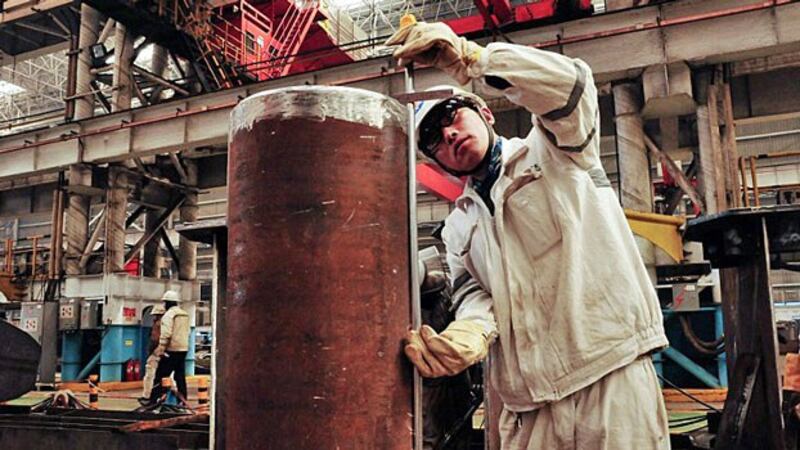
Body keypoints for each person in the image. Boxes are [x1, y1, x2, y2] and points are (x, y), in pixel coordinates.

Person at [386, 21, 671, 449]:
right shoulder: (458, 226)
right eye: (432, 139)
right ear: (437, 161)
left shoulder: (557, 150)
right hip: (526, 400)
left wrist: (473, 60)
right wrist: (470, 332)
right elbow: (475, 295)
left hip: (606, 375)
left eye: (452, 116)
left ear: (486, 112)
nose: (446, 134)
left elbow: (571, 86)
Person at [148, 290, 190, 402]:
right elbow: (188, 332)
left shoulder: (169, 315)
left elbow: (166, 334)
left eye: (165, 303)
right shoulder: (184, 314)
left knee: (160, 375)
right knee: (180, 376)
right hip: (183, 349)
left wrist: (161, 349)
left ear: (168, 303)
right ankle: (182, 401)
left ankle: (154, 400)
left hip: (171, 350)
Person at [138, 303, 166, 405]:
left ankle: (147, 396)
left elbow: (154, 338)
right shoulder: (169, 323)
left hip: (156, 352)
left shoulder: (158, 324)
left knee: (150, 374)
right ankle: (170, 396)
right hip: (167, 352)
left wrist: (150, 351)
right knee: (168, 376)